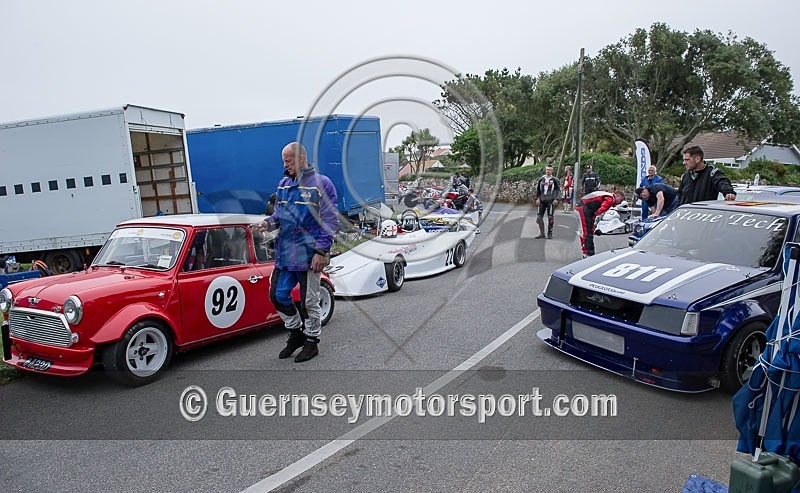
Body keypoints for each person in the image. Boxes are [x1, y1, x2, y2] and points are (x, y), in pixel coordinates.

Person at [251, 142, 339, 363]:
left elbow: (330, 220)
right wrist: (267, 224)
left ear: (301, 159)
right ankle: (296, 333)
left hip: (310, 254)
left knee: (309, 301)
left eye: (288, 161)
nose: (284, 165)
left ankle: (312, 341)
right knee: (277, 296)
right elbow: (279, 214)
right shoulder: (283, 184)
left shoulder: (323, 184)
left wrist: (321, 251)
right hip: (285, 252)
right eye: (283, 161)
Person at [575, 190, 625, 257]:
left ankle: (585, 252)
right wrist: (595, 226)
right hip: (584, 209)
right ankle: (589, 253)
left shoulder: (606, 195)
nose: (619, 204)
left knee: (584, 232)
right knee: (587, 232)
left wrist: (594, 227)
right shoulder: (610, 199)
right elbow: (600, 212)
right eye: (620, 201)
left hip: (583, 207)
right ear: (617, 196)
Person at [534, 165, 561, 239]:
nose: (548, 171)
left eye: (549, 170)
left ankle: (550, 233)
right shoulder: (541, 179)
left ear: (552, 171)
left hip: (551, 201)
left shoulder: (555, 180)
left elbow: (558, 190)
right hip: (542, 200)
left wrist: (557, 199)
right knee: (539, 218)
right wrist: (537, 199)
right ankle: (542, 233)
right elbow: (538, 190)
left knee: (550, 218)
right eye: (547, 170)